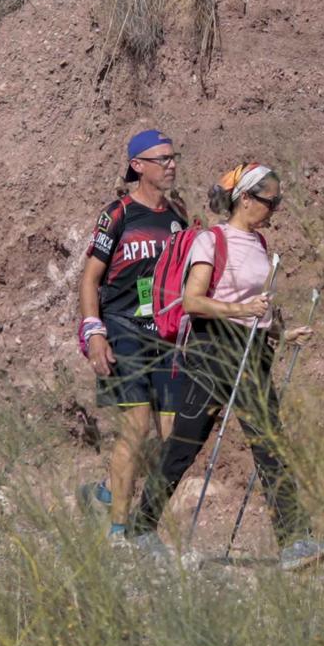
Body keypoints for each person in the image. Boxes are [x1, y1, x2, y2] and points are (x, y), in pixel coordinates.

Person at [128, 163, 324, 569]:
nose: (274, 208)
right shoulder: (212, 240)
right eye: (269, 200)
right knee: (185, 443)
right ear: (245, 199)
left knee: (269, 441)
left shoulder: (258, 244)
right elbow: (193, 301)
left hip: (252, 350)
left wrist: (281, 331)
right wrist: (243, 310)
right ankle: (141, 527)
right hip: (214, 348)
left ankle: (295, 540)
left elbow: (256, 306)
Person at [77, 129, 187, 539]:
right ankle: (120, 533)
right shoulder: (118, 214)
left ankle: (108, 492)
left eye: (174, 157)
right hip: (123, 329)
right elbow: (89, 279)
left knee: (173, 437)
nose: (171, 164)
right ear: (138, 166)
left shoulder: (177, 216)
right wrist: (95, 334)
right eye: (162, 159)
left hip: (164, 334)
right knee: (136, 426)